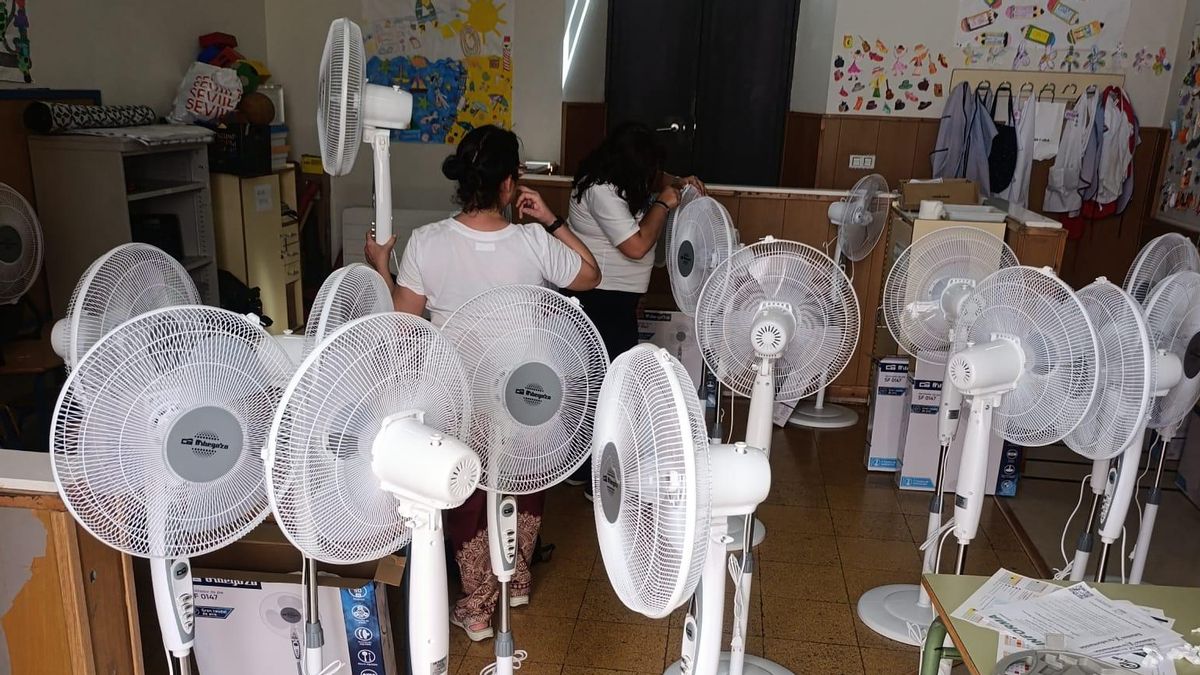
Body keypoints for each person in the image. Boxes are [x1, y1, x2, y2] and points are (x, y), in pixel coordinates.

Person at [365, 124, 600, 642]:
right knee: (527, 478)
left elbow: (402, 324)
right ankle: (516, 580)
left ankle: (476, 607)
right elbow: (590, 274)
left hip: (460, 391)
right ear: (510, 183)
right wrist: (552, 219)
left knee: (468, 488)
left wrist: (382, 265)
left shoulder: (428, 242)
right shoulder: (534, 241)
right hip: (526, 392)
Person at [563, 121, 705, 497]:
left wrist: (679, 181)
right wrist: (663, 203)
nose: (654, 177)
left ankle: (583, 468)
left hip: (615, 297)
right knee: (608, 388)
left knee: (600, 384)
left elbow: (660, 178)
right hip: (600, 299)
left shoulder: (612, 177)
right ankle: (598, 478)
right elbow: (636, 246)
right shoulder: (600, 191)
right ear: (629, 165)